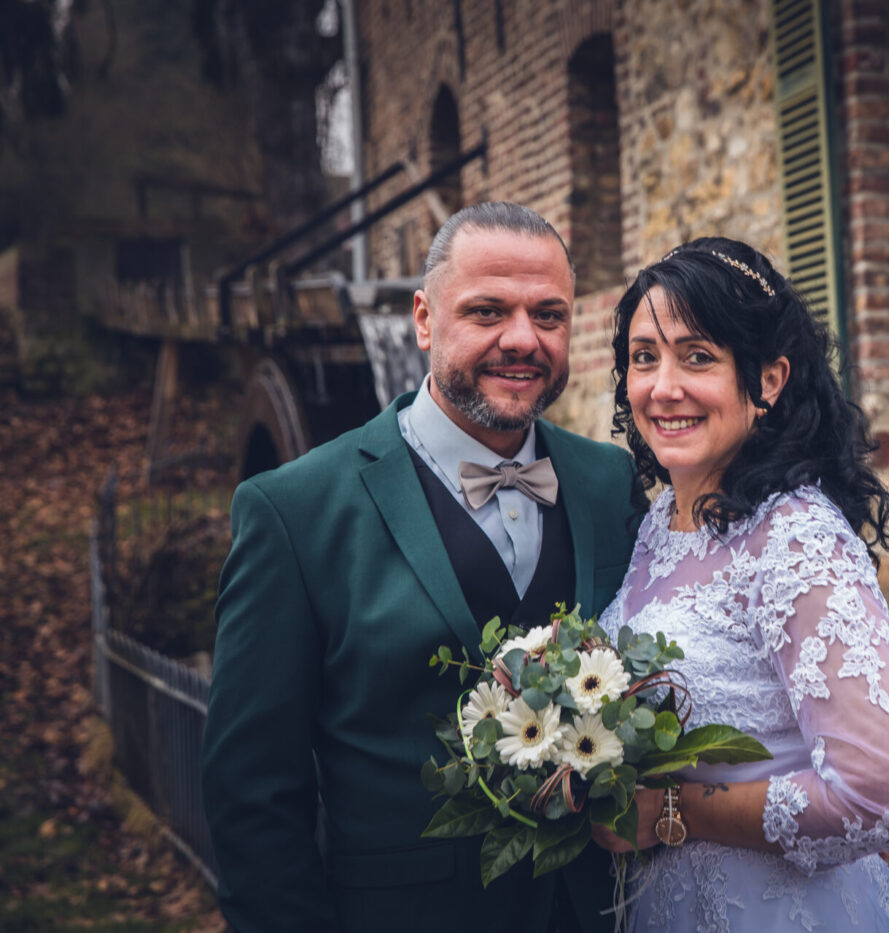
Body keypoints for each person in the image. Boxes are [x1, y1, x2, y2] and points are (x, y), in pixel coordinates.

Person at [202, 202, 641, 933]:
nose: (523, 339)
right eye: (488, 310)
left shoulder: (611, 482)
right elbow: (252, 798)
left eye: (550, 315)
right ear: (424, 319)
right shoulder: (294, 511)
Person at [591, 237, 889, 930]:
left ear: (769, 380)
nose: (664, 386)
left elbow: (884, 796)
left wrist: (674, 810)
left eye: (698, 356)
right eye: (644, 356)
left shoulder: (796, 538)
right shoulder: (661, 520)